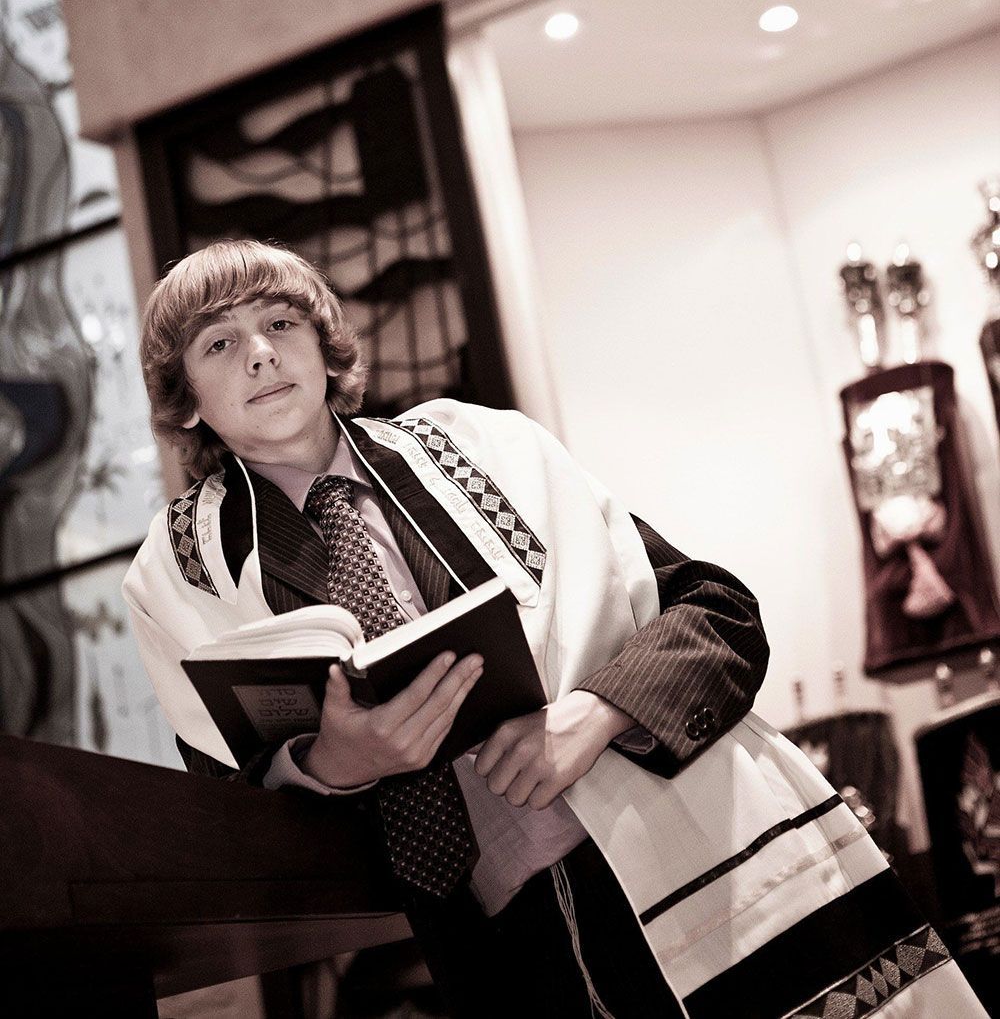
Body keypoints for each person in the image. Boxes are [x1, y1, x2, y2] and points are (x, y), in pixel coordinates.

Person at [124, 239, 986, 1019]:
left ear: (324, 346)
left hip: (694, 852)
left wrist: (597, 714)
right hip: (502, 950)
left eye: (280, 321)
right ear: (187, 399)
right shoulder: (181, 577)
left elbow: (720, 616)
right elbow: (233, 821)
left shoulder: (483, 447)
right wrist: (335, 766)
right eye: (220, 342)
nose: (263, 352)